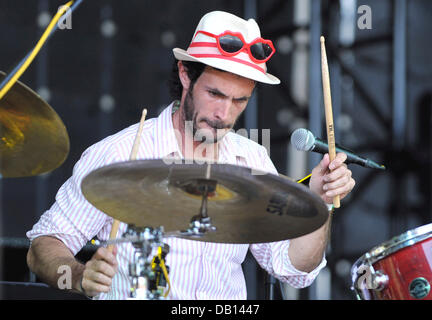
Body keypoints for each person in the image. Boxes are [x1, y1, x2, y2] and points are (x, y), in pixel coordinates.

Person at [26, 11, 355, 299]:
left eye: (240, 100)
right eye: (215, 93)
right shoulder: (121, 152)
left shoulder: (252, 160)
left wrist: (319, 203)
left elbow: (293, 270)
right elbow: (44, 246)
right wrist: (80, 275)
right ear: (185, 74)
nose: (223, 114)